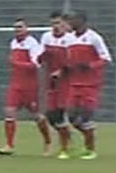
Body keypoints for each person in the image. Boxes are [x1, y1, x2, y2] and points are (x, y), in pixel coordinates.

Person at [0, 17, 51, 156]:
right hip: (15, 84)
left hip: (30, 86)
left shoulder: (33, 43)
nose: (17, 30)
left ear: (26, 28)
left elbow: (35, 65)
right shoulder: (13, 43)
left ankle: (47, 141)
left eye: (20, 27)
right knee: (9, 112)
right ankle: (9, 145)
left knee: (37, 116)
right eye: (15, 27)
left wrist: (16, 63)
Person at [64, 11, 111, 160]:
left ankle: (90, 149)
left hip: (90, 84)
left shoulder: (94, 38)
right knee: (71, 116)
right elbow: (69, 59)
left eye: (73, 20)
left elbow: (106, 59)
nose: (70, 23)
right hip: (74, 83)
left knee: (85, 116)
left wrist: (90, 65)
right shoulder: (69, 39)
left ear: (82, 21)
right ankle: (89, 136)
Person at [35, 11, 74, 158]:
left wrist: (62, 71)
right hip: (51, 81)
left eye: (58, 23)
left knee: (61, 112)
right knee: (51, 115)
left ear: (64, 24)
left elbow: (74, 61)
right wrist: (41, 58)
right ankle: (67, 138)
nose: (55, 27)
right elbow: (39, 56)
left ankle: (64, 148)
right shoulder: (46, 37)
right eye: (52, 24)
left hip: (67, 81)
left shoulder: (70, 39)